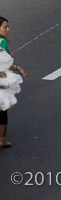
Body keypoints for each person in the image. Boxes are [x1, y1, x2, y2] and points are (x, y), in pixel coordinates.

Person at [0, 16, 27, 148]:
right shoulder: (2, 42)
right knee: (2, 108)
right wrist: (18, 68)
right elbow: (4, 62)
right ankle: (2, 140)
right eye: (5, 27)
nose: (8, 30)